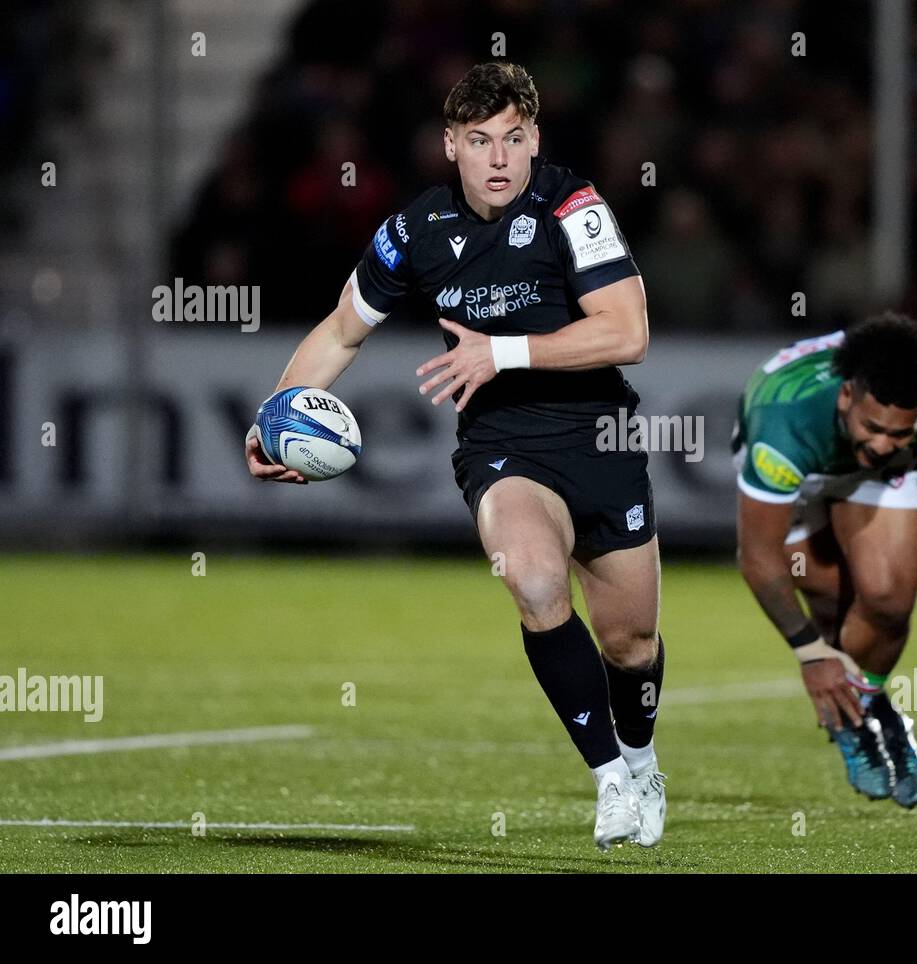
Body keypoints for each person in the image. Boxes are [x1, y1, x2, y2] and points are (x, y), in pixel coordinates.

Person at [245, 62, 667, 850]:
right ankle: (609, 779)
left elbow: (628, 332)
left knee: (631, 644)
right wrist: (273, 416)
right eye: (479, 141)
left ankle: (641, 759)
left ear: (535, 138)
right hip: (501, 449)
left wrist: (502, 352)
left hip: (599, 442)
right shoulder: (416, 231)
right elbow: (341, 330)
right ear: (450, 145)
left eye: (513, 138)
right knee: (536, 582)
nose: (499, 158)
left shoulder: (571, 206)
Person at [733, 314, 917, 808]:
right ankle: (864, 718)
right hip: (803, 474)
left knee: (887, 605)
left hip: (870, 479)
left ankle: (866, 707)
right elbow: (757, 558)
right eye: (873, 427)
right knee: (831, 601)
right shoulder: (784, 427)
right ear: (848, 396)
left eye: (900, 432)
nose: (882, 443)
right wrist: (810, 654)